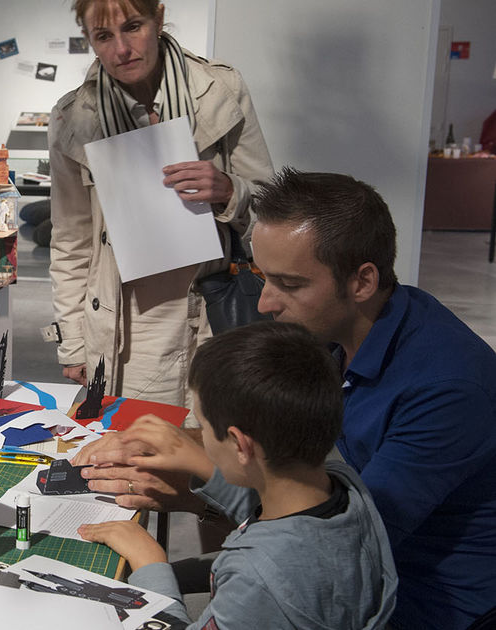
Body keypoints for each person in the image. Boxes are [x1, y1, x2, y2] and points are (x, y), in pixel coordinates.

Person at [78, 169, 496, 629]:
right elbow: (312, 496)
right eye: (263, 278)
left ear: (363, 281)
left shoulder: (446, 388)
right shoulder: (345, 329)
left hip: (413, 603)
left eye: (290, 285)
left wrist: (198, 495)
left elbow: (345, 544)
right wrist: (190, 449)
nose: (265, 304)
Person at [79, 321, 397, 629]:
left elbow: (262, 576)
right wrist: (198, 463)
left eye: (203, 428)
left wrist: (151, 562)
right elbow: (283, 530)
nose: (199, 437)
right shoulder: (347, 487)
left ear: (239, 444)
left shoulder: (256, 580)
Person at [48, 0, 273, 407]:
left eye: (133, 27)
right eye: (104, 36)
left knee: (214, 446)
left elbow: (271, 208)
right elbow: (71, 240)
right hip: (125, 322)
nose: (122, 49)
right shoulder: (72, 119)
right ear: (90, 41)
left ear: (159, 18)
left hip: (210, 309)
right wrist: (73, 342)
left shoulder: (218, 91)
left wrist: (227, 189)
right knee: (139, 450)